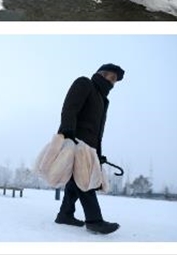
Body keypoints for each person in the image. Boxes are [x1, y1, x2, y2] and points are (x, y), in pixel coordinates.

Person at [54, 63, 124, 235]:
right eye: (112, 78)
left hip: (89, 147)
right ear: (102, 74)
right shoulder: (85, 83)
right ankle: (94, 220)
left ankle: (65, 214)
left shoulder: (102, 99)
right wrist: (67, 132)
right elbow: (70, 107)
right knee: (85, 180)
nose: (113, 83)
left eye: (115, 81)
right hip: (76, 141)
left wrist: (98, 154)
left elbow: (97, 133)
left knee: (75, 182)